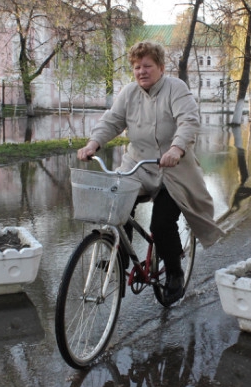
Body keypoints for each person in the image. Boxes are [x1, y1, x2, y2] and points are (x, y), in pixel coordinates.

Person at [77, 40, 224, 303]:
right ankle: (120, 256)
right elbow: (112, 120)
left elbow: (188, 120)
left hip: (174, 170)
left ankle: (175, 273)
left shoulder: (175, 88)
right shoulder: (129, 93)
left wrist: (176, 149)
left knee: (161, 223)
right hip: (138, 166)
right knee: (116, 203)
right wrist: (93, 144)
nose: (141, 71)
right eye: (137, 67)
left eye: (147, 66)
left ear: (161, 67)